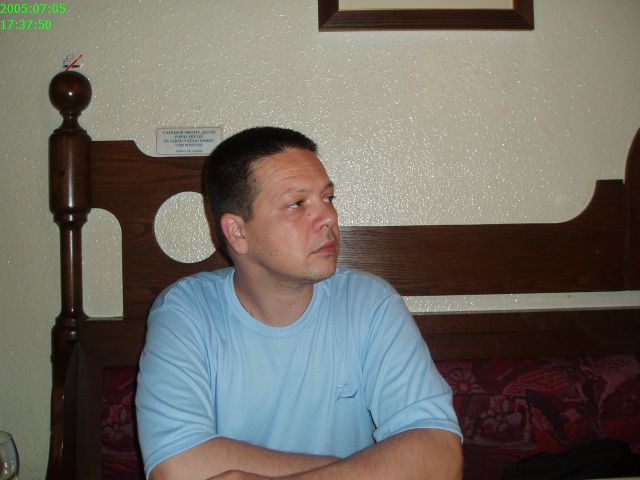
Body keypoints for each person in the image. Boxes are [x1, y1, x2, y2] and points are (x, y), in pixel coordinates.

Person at [136, 127, 463, 480]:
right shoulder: (186, 312)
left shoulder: (370, 303)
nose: (329, 218)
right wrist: (362, 468)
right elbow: (175, 467)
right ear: (238, 233)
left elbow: (440, 455)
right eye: (297, 204)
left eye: (328, 198)